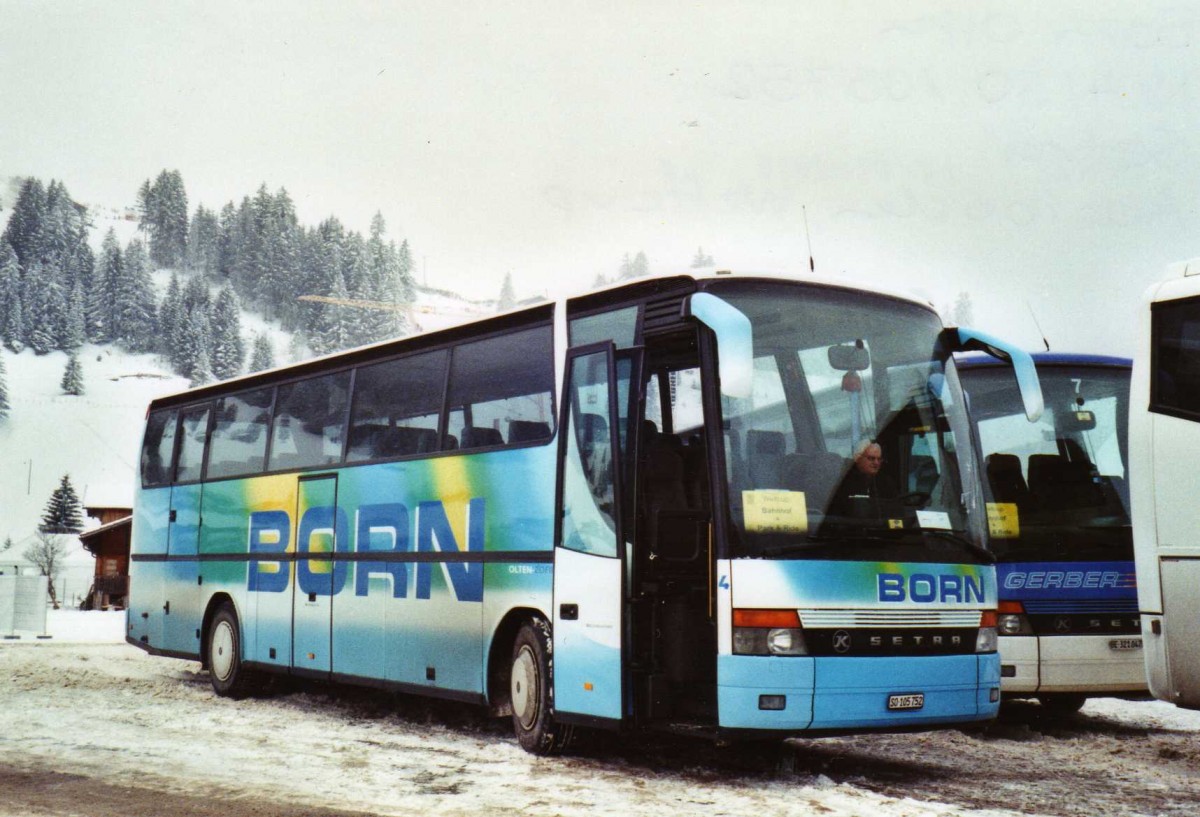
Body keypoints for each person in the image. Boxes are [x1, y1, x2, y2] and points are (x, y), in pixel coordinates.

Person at [834, 440, 899, 518]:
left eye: (879, 459)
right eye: (871, 458)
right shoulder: (842, 481)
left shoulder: (886, 483)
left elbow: (896, 512)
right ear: (857, 458)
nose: (876, 463)